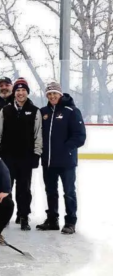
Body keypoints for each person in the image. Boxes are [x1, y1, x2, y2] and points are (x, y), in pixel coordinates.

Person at [0, 78, 42, 230]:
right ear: (14, 93)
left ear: (27, 93)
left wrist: (36, 153)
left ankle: (24, 216)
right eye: (18, 90)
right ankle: (5, 216)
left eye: (23, 90)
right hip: (7, 156)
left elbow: (38, 134)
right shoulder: (5, 110)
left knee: (24, 188)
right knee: (6, 187)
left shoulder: (34, 111)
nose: (20, 93)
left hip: (25, 157)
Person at [36, 81, 86, 235]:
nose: (52, 96)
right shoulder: (43, 112)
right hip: (48, 161)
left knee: (69, 192)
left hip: (66, 162)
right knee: (51, 191)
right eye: (49, 94)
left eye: (54, 93)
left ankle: (70, 222)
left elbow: (80, 136)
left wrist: (65, 149)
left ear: (60, 94)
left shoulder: (71, 111)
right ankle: (52, 220)